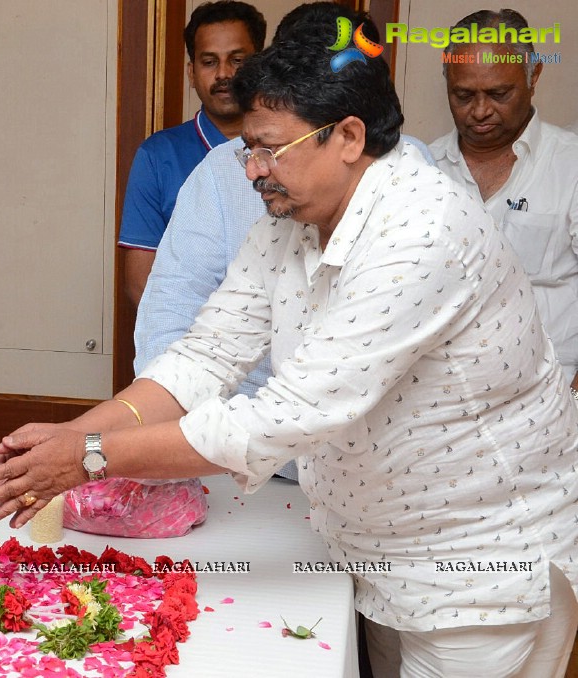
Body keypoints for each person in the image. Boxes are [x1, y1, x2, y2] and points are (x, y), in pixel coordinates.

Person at [0, 14, 578, 678]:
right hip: (381, 543)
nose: (253, 171)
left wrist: (88, 458)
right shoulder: (295, 211)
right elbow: (207, 353)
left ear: (347, 137)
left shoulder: (421, 230)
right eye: (247, 150)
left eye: (267, 149)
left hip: (477, 564)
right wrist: (72, 436)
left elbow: (278, 418)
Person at [136, 2, 434, 482]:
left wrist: (97, 453)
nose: (256, 170)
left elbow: (316, 400)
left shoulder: (419, 199)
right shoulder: (239, 183)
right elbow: (188, 330)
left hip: (379, 471)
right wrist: (134, 435)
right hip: (240, 457)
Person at [430, 8, 578, 393]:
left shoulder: (571, 166)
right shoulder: (420, 169)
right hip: (439, 401)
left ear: (534, 76)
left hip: (550, 396)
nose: (480, 111)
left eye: (499, 94)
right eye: (463, 95)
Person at [118, 0, 266, 307]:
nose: (224, 74)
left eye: (237, 60)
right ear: (191, 71)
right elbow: (140, 286)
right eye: (209, 62)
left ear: (260, 65)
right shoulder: (157, 157)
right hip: (191, 346)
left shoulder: (293, 148)